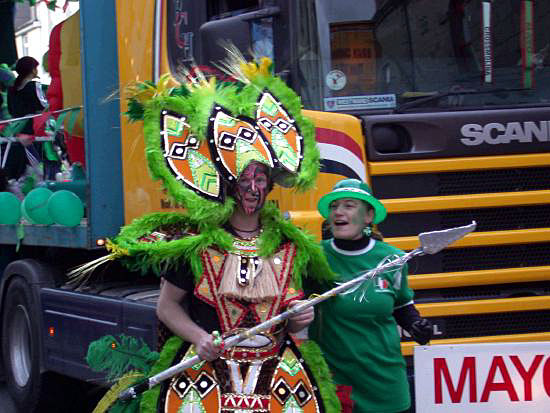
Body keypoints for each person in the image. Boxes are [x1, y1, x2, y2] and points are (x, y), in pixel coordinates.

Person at [85, 53, 340, 412]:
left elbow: (299, 314)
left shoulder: (289, 243)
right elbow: (167, 306)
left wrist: (301, 315)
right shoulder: (197, 245)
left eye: (261, 178)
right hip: (205, 381)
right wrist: (200, 338)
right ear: (227, 185)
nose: (254, 188)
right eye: (245, 179)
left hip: (280, 380)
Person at [308, 178, 433, 413]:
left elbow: (402, 306)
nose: (338, 212)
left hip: (385, 381)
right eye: (334, 206)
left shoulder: (393, 258)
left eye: (348, 205)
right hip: (335, 383)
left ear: (368, 216)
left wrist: (416, 324)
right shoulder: (315, 257)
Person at [3, 56, 47, 181]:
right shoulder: (35, 86)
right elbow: (44, 106)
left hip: (16, 130)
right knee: (38, 169)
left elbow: (11, 110)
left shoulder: (11, 89)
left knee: (20, 172)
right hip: (33, 130)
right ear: (33, 70)